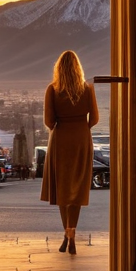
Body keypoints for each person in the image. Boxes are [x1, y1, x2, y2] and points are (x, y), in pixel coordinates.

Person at [40, 50, 99, 255]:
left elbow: (49, 121)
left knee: (63, 190)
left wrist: (63, 125)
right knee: (77, 189)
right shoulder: (88, 89)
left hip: (61, 140)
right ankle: (72, 230)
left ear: (58, 69)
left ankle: (67, 233)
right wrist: (81, 128)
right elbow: (95, 119)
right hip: (82, 139)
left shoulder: (52, 90)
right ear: (78, 68)